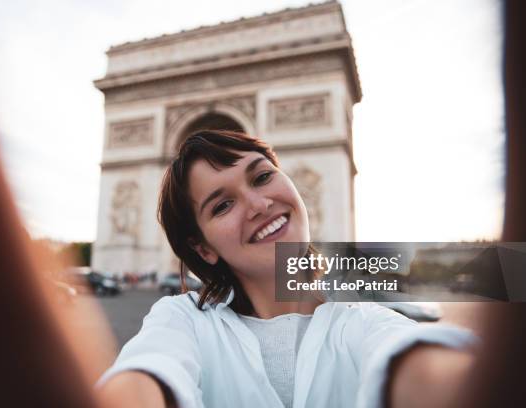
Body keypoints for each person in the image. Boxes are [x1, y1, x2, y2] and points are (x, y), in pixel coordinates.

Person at [97, 130, 476, 408]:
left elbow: (426, 370)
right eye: (222, 205)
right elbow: (149, 370)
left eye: (262, 177)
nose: (258, 204)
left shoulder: (365, 322)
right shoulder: (182, 321)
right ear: (203, 249)